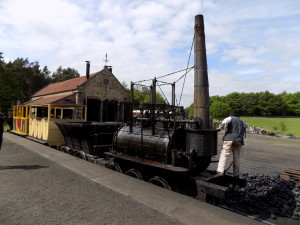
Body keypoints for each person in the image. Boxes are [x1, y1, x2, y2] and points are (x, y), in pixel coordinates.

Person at [216, 110, 248, 177]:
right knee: (236, 157)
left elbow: (223, 124)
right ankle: (236, 174)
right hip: (239, 140)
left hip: (229, 139)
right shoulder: (242, 121)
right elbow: (246, 126)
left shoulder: (229, 118)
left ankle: (220, 171)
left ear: (230, 114)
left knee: (224, 154)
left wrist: (219, 128)